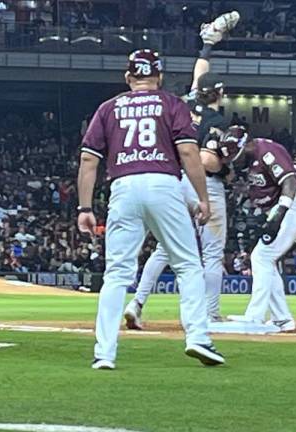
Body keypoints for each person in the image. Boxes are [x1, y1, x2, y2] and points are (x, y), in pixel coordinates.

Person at [77, 49, 224, 370]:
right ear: (158, 77)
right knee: (187, 265)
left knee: (116, 273)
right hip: (163, 184)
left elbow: (89, 159)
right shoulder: (172, 103)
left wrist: (85, 207)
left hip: (123, 186)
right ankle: (198, 337)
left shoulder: (108, 108)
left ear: (129, 77)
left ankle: (105, 353)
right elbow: (188, 152)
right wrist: (203, 197)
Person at [124, 10, 240, 330]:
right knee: (213, 253)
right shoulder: (217, 122)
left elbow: (200, 73)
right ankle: (211, 312)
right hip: (203, 185)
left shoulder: (186, 103)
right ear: (221, 93)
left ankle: (138, 302)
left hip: (174, 181)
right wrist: (226, 165)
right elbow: (206, 161)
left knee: (165, 247)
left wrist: (207, 47)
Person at [222, 125, 296, 332]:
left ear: (245, 146)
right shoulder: (249, 163)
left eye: (236, 156)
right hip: (280, 210)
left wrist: (280, 213)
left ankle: (254, 317)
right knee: (264, 259)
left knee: (262, 258)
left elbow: (289, 180)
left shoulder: (266, 150)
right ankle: (281, 319)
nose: (235, 162)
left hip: (295, 205)